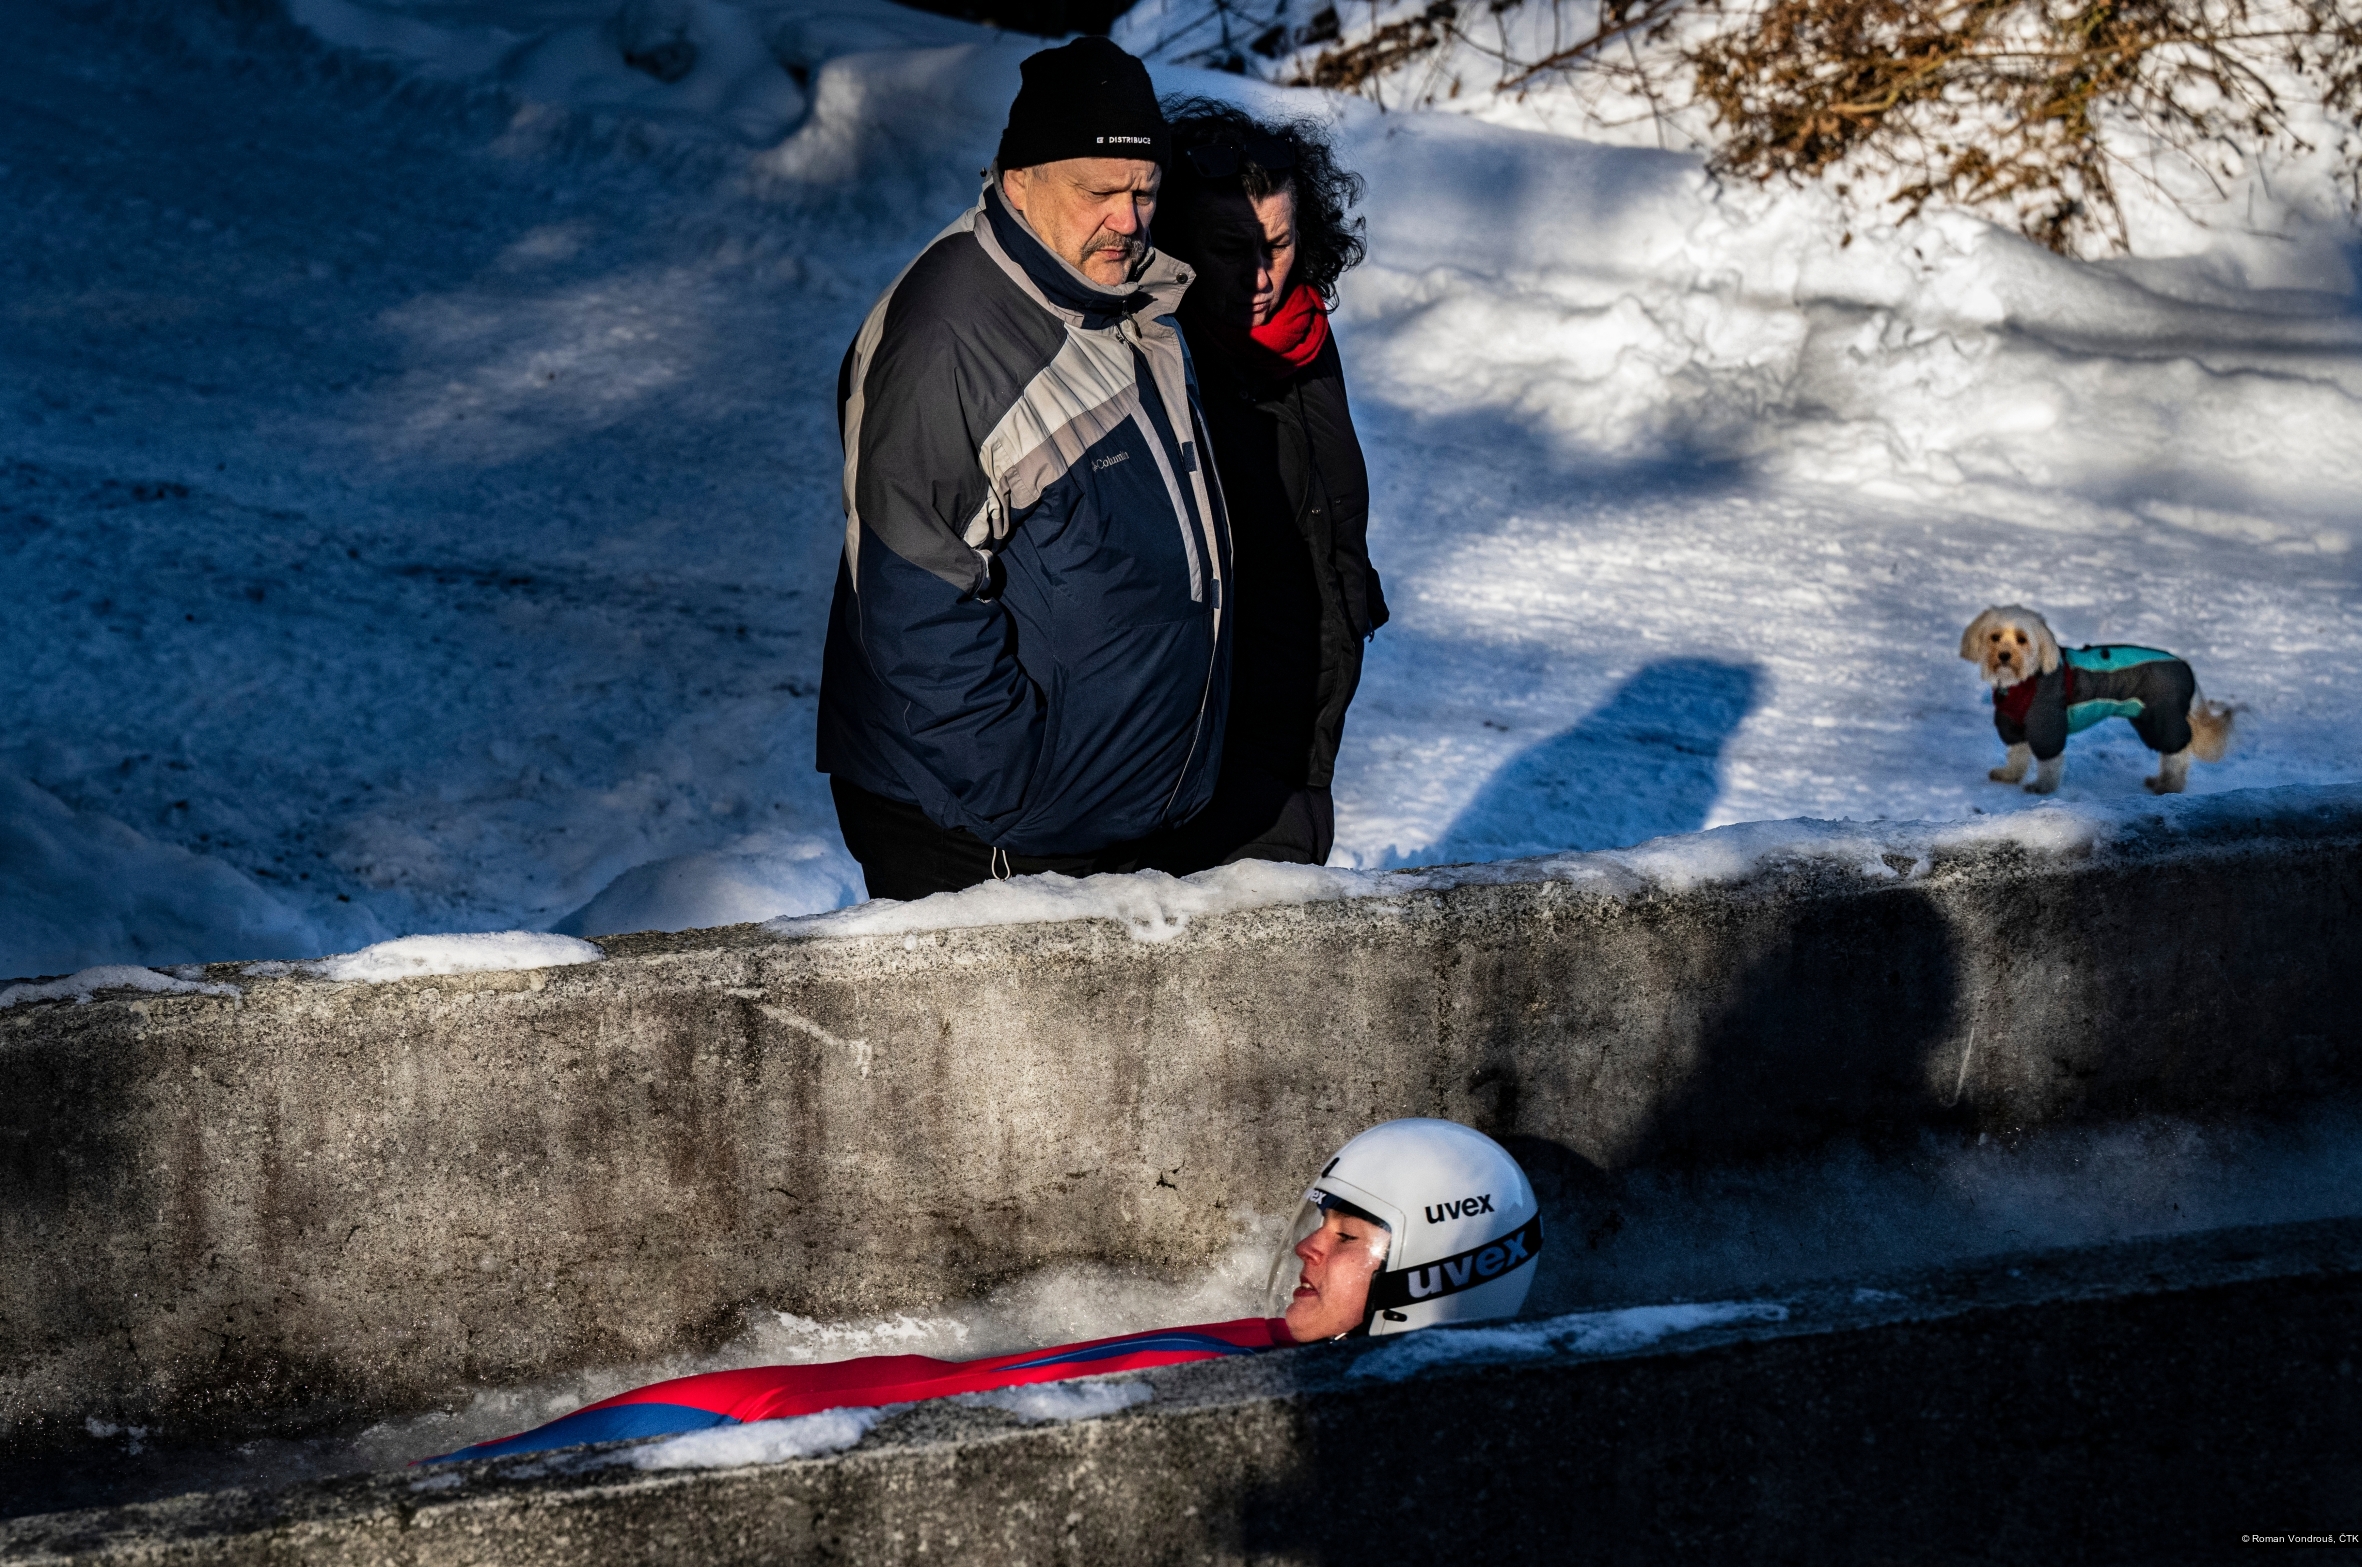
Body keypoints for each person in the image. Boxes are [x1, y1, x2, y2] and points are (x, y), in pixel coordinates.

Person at [423, 1120, 1540, 1464]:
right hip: (782, 1403)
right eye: (1320, 1224)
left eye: (1346, 1238)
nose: (1307, 1249)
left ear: (1432, 1276)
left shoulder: (1292, 1409)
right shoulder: (1264, 1343)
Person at [817, 37, 1233, 903]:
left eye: (1145, 191)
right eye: (1099, 193)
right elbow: (911, 598)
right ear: (1017, 181)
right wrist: (1019, 791)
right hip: (989, 843)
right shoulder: (949, 340)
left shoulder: (1123, 299)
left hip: (1099, 827)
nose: (1129, 218)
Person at [1144, 101, 1387, 872]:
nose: (1261, 276)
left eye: (1280, 245)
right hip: (1209, 760)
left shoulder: (1305, 332)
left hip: (1307, 733)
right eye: (1229, 248)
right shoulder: (1154, 355)